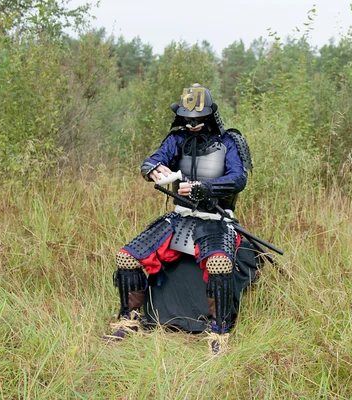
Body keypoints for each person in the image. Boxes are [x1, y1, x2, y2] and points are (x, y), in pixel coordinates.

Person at [106, 83, 253, 355]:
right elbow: (154, 159)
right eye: (188, 118)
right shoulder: (176, 139)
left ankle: (219, 331)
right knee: (126, 256)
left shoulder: (230, 141)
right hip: (180, 216)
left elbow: (238, 178)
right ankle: (131, 319)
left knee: (220, 263)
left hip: (215, 218)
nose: (192, 123)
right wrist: (151, 169)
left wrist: (204, 188)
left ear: (209, 114)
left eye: (197, 119)